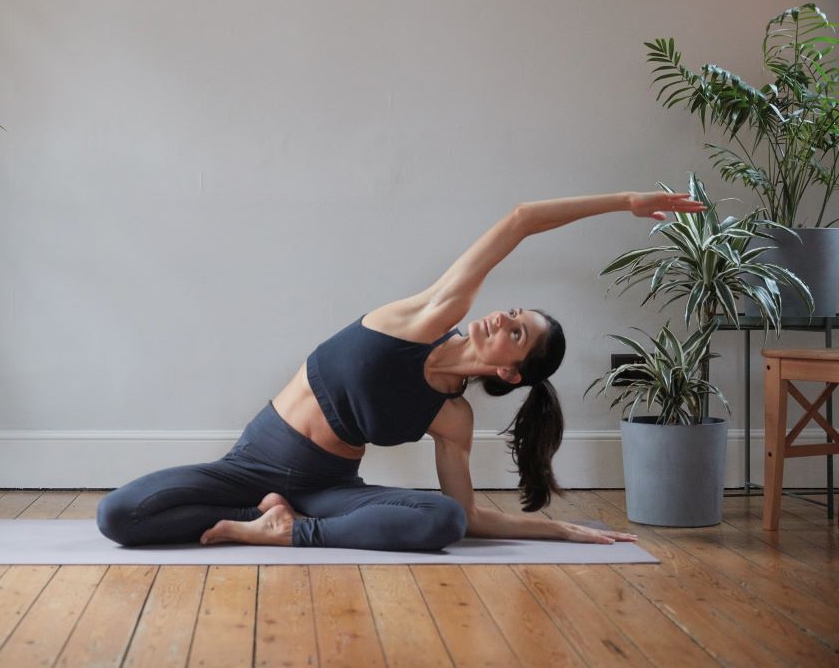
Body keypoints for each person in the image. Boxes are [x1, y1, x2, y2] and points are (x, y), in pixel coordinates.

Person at [97, 191, 705, 551]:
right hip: (249, 464)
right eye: (512, 313)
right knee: (118, 516)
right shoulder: (430, 314)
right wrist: (626, 202)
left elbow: (466, 517)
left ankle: (286, 531)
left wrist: (564, 533)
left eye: (516, 332)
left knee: (442, 521)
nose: (501, 319)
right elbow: (521, 219)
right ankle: (264, 516)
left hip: (324, 493)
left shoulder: (452, 417)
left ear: (512, 373)